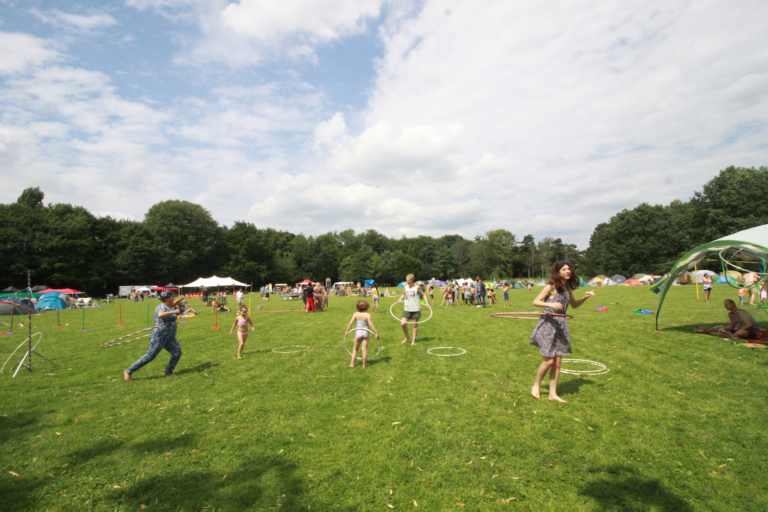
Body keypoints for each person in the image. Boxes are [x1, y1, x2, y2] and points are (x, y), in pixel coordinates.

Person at [530, 261, 596, 403]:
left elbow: (574, 305)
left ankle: (553, 394)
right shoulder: (551, 286)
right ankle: (536, 385)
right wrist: (550, 303)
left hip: (561, 325)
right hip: (548, 325)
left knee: (558, 362)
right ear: (558, 272)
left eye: (569, 269)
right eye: (564, 269)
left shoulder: (567, 288)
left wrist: (585, 297)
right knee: (548, 361)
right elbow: (535, 301)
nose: (568, 271)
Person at [124, 291, 183, 381]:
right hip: (159, 336)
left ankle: (168, 371)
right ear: (167, 298)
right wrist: (174, 311)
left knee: (177, 352)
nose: (173, 298)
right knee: (151, 355)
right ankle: (129, 371)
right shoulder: (160, 307)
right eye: (172, 297)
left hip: (170, 337)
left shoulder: (167, 306)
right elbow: (160, 314)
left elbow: (172, 305)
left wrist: (179, 300)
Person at [397, 274, 429, 346]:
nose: (407, 281)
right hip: (407, 308)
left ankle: (413, 340)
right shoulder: (405, 287)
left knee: (414, 325)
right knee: (403, 324)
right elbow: (403, 295)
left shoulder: (417, 287)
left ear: (412, 280)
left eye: (408, 280)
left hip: (415, 309)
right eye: (406, 280)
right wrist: (400, 299)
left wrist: (427, 303)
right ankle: (407, 337)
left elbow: (424, 295)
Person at [345, 300, 379, 368]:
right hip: (365, 333)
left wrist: (347, 331)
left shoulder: (355, 314)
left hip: (358, 333)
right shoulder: (367, 315)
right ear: (367, 307)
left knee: (355, 349)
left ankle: (352, 364)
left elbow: (351, 323)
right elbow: (371, 325)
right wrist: (376, 333)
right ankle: (364, 365)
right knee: (364, 349)